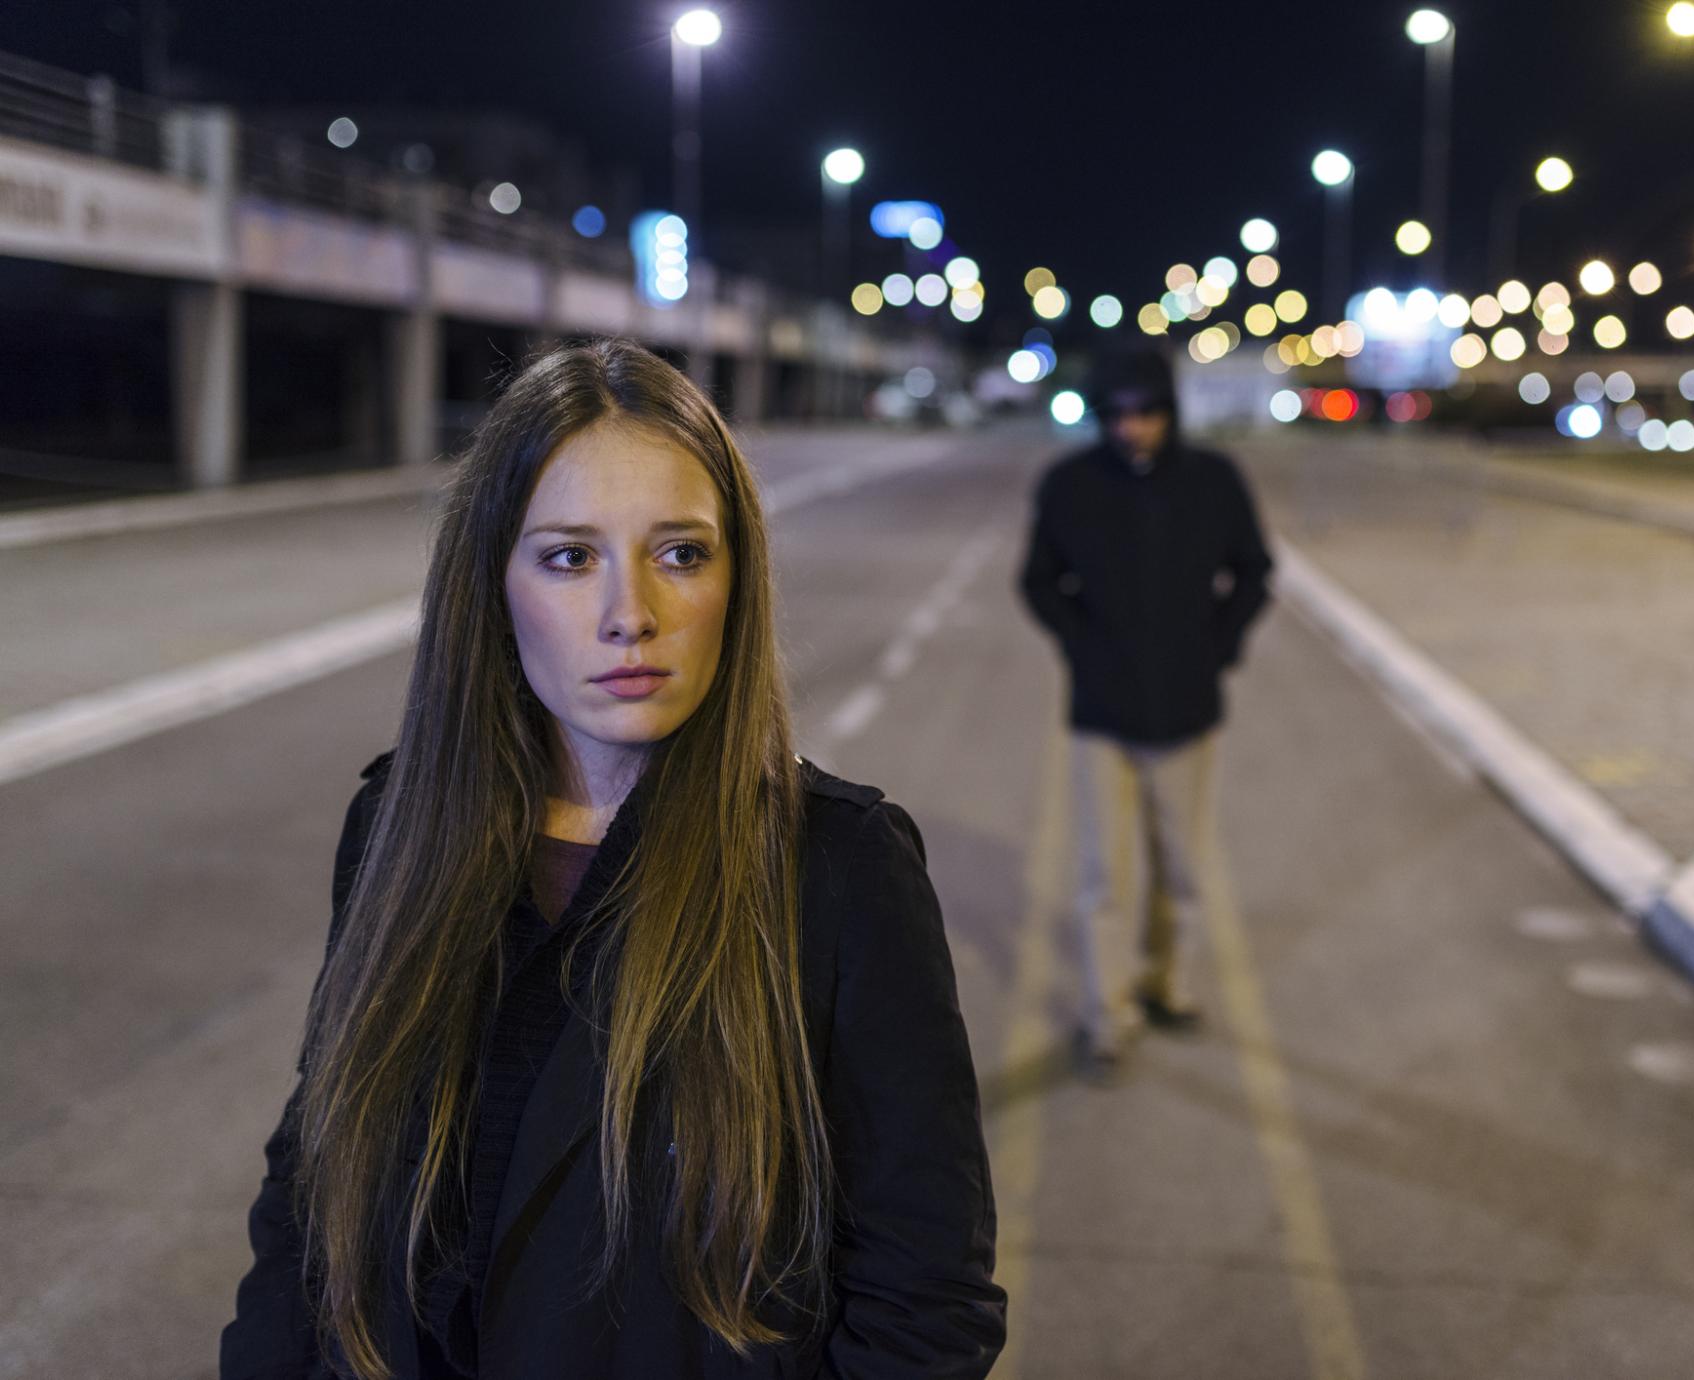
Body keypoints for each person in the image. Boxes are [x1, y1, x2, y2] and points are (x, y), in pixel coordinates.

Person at [220, 339, 1005, 1379]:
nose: (628, 614)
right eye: (568, 556)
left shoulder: (838, 870)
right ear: (491, 584)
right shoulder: (396, 826)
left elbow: (925, 1298)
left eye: (680, 553)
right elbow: (312, 1184)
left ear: (737, 578)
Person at [1018, 341, 1273, 1080]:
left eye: (1149, 412)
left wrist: (1218, 648)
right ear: (1103, 414)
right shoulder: (1068, 484)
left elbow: (1254, 572)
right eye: (1121, 413)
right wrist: (1079, 644)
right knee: (1106, 875)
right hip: (1101, 711)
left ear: (1170, 410)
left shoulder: (1214, 481)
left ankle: (1168, 984)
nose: (1135, 427)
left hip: (1189, 707)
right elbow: (1037, 580)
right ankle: (1110, 1015)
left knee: (1182, 866)